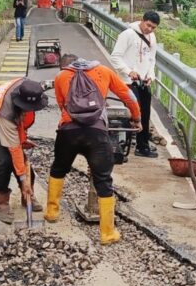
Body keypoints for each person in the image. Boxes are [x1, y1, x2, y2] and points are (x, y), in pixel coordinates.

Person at [47, 54, 141, 244]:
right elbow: (128, 95)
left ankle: (52, 212)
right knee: (103, 179)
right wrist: (136, 117)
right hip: (96, 132)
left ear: (67, 65)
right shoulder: (104, 71)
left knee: (58, 169)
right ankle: (107, 233)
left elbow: (62, 104)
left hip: (68, 131)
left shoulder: (61, 77)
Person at [0, 77, 49, 222]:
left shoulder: (29, 88)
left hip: (4, 125)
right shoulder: (5, 110)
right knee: (3, 162)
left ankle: (27, 196)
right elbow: (14, 149)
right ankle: (1, 202)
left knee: (24, 164)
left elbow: (20, 123)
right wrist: (23, 179)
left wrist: (23, 139)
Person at [110, 11, 160, 158]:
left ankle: (142, 146)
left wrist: (151, 76)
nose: (149, 29)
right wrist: (128, 71)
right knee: (132, 113)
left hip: (143, 81)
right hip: (128, 81)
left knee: (145, 114)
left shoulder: (152, 37)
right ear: (142, 21)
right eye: (148, 25)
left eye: (153, 27)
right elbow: (115, 57)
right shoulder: (128, 34)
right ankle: (122, 147)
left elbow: (152, 60)